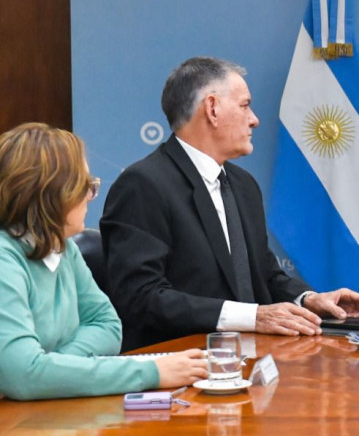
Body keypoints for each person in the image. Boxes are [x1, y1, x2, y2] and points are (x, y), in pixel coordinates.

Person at [102, 57, 359, 351]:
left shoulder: (243, 185)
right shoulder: (144, 185)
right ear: (212, 109)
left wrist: (309, 300)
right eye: (244, 106)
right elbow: (141, 297)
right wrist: (252, 317)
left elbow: (264, 274)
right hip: (181, 366)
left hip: (252, 361)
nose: (254, 119)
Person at [0, 123, 207, 400]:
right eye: (85, 186)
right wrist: (151, 372)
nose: (90, 196)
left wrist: (53, 367)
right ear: (50, 194)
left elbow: (107, 325)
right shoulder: (4, 258)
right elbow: (23, 375)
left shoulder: (63, 248)